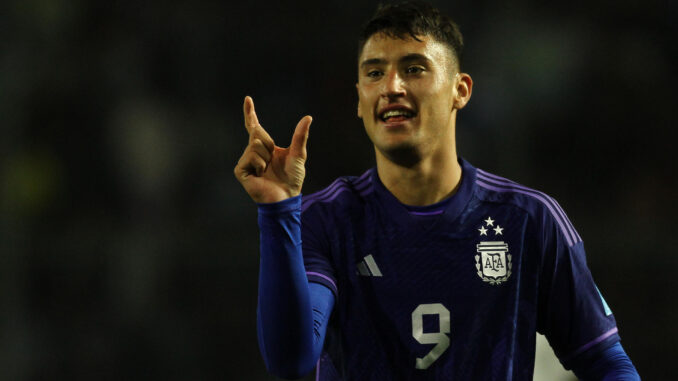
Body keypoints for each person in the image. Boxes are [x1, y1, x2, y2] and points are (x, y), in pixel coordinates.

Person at [234, 1, 640, 379]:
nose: (391, 86)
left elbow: (604, 361)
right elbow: (291, 360)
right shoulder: (325, 220)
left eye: (413, 68)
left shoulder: (529, 220)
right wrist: (278, 211)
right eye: (374, 73)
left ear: (460, 90)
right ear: (359, 99)